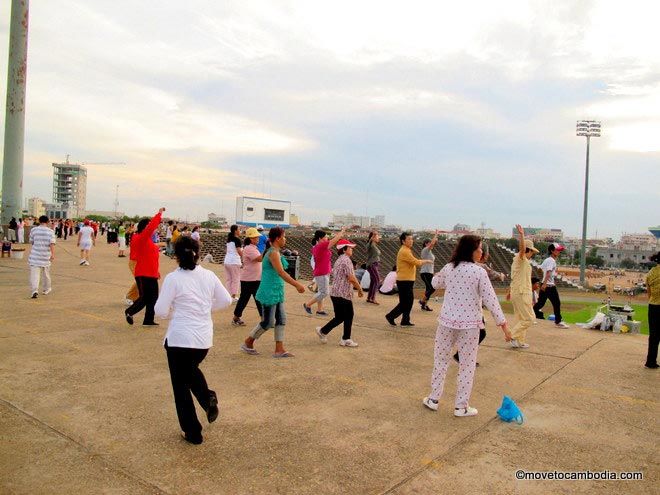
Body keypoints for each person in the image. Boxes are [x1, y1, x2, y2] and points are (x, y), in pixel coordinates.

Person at [154, 236, 232, 445]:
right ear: (197, 253)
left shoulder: (173, 278)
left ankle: (193, 432)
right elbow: (226, 300)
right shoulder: (208, 275)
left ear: (176, 256)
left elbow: (160, 311)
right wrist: (205, 309)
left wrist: (174, 310)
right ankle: (207, 398)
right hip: (202, 340)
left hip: (180, 339)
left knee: (180, 387)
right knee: (190, 372)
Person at [422, 235, 510, 417]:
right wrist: (503, 325)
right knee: (467, 366)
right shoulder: (479, 272)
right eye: (479, 249)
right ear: (471, 250)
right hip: (470, 325)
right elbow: (491, 300)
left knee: (440, 361)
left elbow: (434, 282)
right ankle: (461, 406)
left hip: (446, 322)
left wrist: (441, 275)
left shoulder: (449, 268)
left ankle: (433, 399)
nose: (482, 252)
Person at [241, 227, 306, 358]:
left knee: (281, 319)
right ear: (277, 238)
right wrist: (297, 284)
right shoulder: (273, 253)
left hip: (276, 290)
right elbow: (281, 272)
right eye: (284, 236)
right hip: (269, 291)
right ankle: (248, 342)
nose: (285, 239)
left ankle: (279, 349)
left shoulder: (275, 251)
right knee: (268, 322)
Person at [315, 239, 363, 347]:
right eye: (350, 247)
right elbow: (351, 278)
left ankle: (323, 331)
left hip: (335, 292)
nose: (352, 249)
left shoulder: (339, 260)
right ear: (344, 249)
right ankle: (346, 339)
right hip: (343, 293)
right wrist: (359, 288)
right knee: (349, 315)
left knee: (340, 317)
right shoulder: (347, 260)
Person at [125, 208, 166, 326]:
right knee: (145, 297)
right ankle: (129, 311)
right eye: (148, 227)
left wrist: (156, 272)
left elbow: (151, 257)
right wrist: (159, 214)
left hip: (151, 273)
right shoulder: (140, 238)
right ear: (145, 227)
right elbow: (151, 227)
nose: (153, 230)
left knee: (153, 298)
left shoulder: (146, 241)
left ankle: (148, 320)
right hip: (143, 273)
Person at [385, 232, 433, 327]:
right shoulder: (405, 251)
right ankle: (391, 316)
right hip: (404, 281)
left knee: (408, 302)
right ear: (403, 241)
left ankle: (405, 320)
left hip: (407, 280)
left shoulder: (406, 250)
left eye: (412, 239)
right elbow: (416, 262)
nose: (411, 241)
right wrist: (426, 261)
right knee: (405, 303)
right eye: (409, 239)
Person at [506, 224, 539, 349]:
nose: (532, 254)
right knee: (529, 319)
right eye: (531, 252)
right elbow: (522, 249)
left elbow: (515, 277)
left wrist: (510, 291)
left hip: (518, 291)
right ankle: (512, 336)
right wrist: (521, 235)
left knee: (522, 318)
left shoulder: (519, 261)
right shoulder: (521, 259)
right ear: (528, 250)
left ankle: (519, 341)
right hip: (521, 292)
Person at [304, 227, 346, 316]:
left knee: (321, 291)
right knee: (324, 292)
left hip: (324, 272)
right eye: (326, 237)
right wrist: (342, 231)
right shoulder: (321, 246)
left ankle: (319, 310)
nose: (327, 238)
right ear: (320, 238)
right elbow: (334, 240)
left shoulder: (319, 246)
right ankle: (307, 304)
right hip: (322, 273)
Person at [534, 243, 570, 328]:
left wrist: (542, 282)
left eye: (559, 250)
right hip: (549, 286)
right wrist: (545, 283)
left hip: (546, 284)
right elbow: (548, 272)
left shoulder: (547, 260)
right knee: (556, 303)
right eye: (557, 250)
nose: (559, 252)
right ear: (552, 251)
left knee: (540, 303)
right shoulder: (552, 260)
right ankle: (558, 321)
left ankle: (528, 316)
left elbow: (540, 269)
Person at [232, 228, 263, 326]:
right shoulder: (249, 248)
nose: (258, 238)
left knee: (257, 298)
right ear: (251, 238)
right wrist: (268, 250)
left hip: (254, 278)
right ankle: (236, 317)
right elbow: (259, 259)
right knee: (245, 299)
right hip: (249, 279)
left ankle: (264, 318)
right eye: (255, 237)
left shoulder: (253, 247)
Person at [27, 215, 56, 299]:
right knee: (46, 274)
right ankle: (46, 288)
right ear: (47, 222)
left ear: (39, 221)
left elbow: (32, 241)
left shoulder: (34, 230)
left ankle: (34, 290)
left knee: (34, 275)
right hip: (45, 256)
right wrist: (52, 254)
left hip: (35, 255)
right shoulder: (50, 231)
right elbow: (52, 244)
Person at [645, 252, 660, 369]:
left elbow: (649, 293)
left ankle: (650, 361)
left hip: (653, 307)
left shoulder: (650, 273)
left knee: (653, 336)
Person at [419, 232, 439, 311]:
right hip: (425, 272)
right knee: (432, 288)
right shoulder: (425, 250)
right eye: (430, 243)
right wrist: (436, 234)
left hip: (429, 272)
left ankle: (424, 305)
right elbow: (432, 244)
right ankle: (422, 301)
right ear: (426, 244)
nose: (432, 244)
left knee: (429, 289)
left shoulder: (429, 252)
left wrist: (432, 272)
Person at [224, 225, 243, 302]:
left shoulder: (229, 240)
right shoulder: (237, 240)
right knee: (235, 279)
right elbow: (239, 251)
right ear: (235, 231)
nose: (240, 231)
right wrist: (244, 258)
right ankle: (233, 296)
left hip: (227, 261)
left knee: (229, 279)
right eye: (239, 229)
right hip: (234, 261)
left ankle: (228, 296)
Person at [365, 231, 382, 304]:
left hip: (375, 264)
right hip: (372, 264)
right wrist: (371, 239)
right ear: (373, 237)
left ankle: (369, 298)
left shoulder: (374, 245)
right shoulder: (370, 245)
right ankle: (372, 298)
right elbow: (367, 247)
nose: (378, 238)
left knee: (373, 281)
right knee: (377, 280)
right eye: (377, 236)